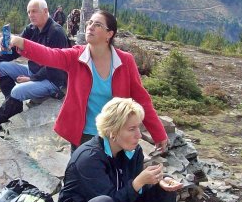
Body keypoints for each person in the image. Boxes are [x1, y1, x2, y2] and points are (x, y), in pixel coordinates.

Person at [9, 9, 168, 152]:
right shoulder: (76, 56)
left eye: (97, 24)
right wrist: (20, 42)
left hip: (115, 136)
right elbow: (49, 55)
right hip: (83, 135)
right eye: (90, 22)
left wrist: (159, 133)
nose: (90, 26)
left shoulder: (125, 61)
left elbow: (142, 101)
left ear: (109, 34)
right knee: (80, 180)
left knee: (112, 181)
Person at [0, 0, 68, 134]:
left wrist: (32, 79)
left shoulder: (56, 32)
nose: (31, 15)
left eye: (34, 11)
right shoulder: (31, 29)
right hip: (33, 71)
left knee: (17, 91)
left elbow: (56, 64)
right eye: (29, 12)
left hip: (52, 79)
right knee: (0, 68)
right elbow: (13, 50)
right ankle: (13, 105)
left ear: (46, 11)